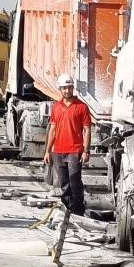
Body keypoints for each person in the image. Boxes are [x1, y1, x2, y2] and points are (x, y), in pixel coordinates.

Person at [43, 73, 92, 216]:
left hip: (75, 151)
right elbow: (52, 129)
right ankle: (67, 211)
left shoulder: (82, 107)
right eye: (64, 88)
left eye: (69, 88)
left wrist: (86, 151)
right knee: (64, 184)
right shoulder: (56, 107)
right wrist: (47, 151)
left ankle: (78, 212)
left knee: (75, 182)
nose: (67, 91)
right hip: (58, 151)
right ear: (60, 89)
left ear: (73, 88)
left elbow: (87, 130)